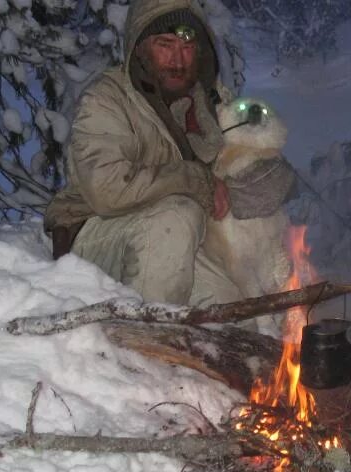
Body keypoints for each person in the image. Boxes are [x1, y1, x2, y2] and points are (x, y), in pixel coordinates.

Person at [44, 0, 295, 307]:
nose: (178, 59)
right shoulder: (107, 100)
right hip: (95, 239)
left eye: (187, 47)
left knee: (226, 305)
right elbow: (108, 190)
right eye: (165, 45)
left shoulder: (205, 102)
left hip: (171, 243)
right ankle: (146, 342)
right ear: (139, 48)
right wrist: (195, 179)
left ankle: (196, 349)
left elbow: (245, 149)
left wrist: (269, 176)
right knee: (177, 215)